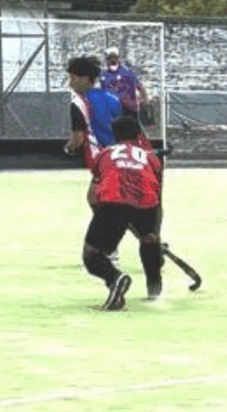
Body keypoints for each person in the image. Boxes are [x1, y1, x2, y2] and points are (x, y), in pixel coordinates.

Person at [82, 116, 165, 310]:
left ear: (115, 136)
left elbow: (92, 197)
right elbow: (157, 199)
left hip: (112, 202)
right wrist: (154, 235)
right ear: (139, 135)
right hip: (147, 203)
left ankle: (115, 278)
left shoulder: (104, 154)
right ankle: (154, 291)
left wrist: (104, 222)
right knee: (149, 241)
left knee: (92, 255)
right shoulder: (152, 158)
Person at [65, 55, 123, 173]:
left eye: (72, 78)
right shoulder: (113, 98)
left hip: (98, 159)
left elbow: (78, 138)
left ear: (84, 79)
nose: (70, 83)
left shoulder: (79, 103)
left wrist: (68, 148)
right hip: (119, 157)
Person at [99, 47, 150, 121]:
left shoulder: (127, 72)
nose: (112, 60)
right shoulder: (102, 75)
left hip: (128, 111)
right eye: (110, 58)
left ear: (118, 58)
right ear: (106, 59)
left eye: (114, 57)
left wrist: (145, 103)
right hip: (110, 112)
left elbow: (140, 88)